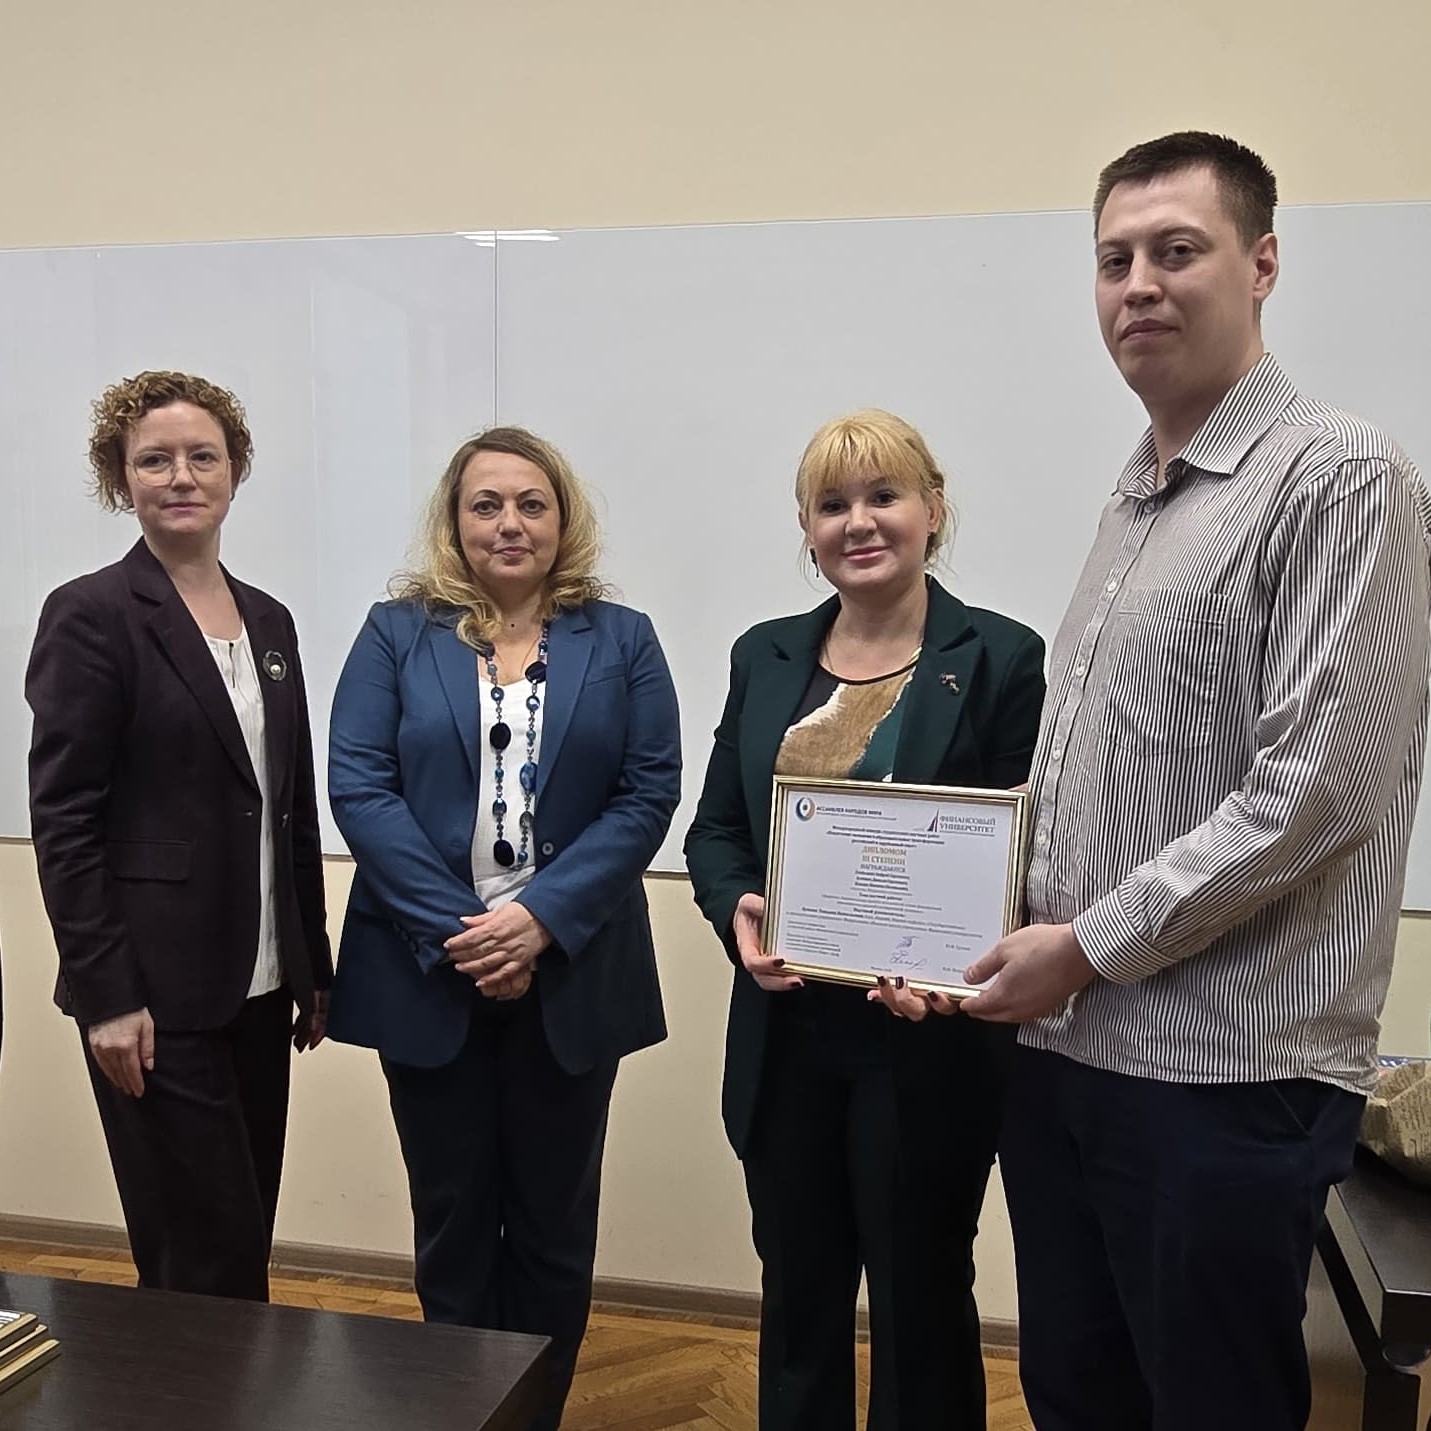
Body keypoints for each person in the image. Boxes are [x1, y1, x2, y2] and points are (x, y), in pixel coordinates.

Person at [926, 131, 1430, 1431]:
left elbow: (1316, 790)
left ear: (1261, 264)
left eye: (1176, 250)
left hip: (1221, 1080)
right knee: (1075, 1397)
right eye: (1113, 260)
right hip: (1069, 1057)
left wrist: (1081, 946)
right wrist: (960, 929)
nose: (1138, 284)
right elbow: (1098, 783)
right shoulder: (1135, 498)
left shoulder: (1337, 474)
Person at [684, 409, 1046, 1430]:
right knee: (798, 1297)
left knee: (921, 1300)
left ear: (933, 509)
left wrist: (959, 969)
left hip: (926, 1047)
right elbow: (715, 832)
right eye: (831, 504)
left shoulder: (1002, 656)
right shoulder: (764, 656)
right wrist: (737, 910)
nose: (859, 521)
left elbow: (1028, 851)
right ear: (806, 529)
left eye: (884, 495)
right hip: (786, 1036)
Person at [326, 425, 680, 1431]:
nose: (509, 523)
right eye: (486, 504)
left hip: (572, 973)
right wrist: (471, 935)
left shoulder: (622, 639)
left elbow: (647, 793)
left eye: (532, 502)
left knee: (554, 1232)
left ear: (563, 518)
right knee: (451, 1226)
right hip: (427, 973)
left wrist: (537, 922)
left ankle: (533, 1417)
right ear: (455, 521)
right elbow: (360, 786)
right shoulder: (397, 633)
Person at [26, 370, 332, 1302]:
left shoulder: (269, 619)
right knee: (202, 1264)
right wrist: (107, 998)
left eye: (203, 455)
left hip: (261, 988)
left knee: (242, 1244)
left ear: (235, 469)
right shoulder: (91, 614)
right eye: (153, 460)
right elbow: (64, 820)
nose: (182, 476)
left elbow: (288, 801)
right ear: (121, 480)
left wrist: (312, 966)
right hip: (153, 1000)